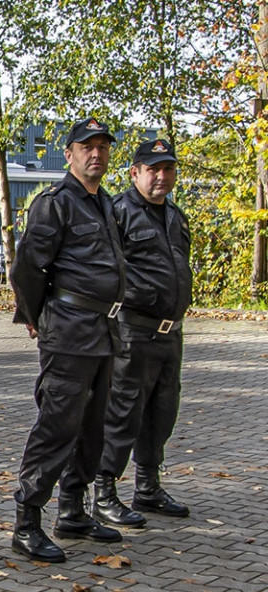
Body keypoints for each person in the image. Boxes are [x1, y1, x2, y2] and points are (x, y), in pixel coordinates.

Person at [9, 116, 127, 563]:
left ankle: (73, 511)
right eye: (86, 147)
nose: (95, 154)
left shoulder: (104, 203)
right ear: (71, 153)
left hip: (103, 331)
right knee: (57, 426)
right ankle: (27, 521)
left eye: (102, 146)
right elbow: (27, 267)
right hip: (69, 331)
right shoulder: (54, 203)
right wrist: (36, 315)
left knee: (93, 428)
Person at [93, 139, 192, 524]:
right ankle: (104, 491)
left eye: (168, 169)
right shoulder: (119, 212)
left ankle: (148, 488)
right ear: (135, 172)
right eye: (153, 169)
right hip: (134, 330)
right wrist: (143, 295)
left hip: (171, 334)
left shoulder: (175, 216)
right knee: (123, 413)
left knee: (162, 413)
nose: (161, 177)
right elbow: (108, 270)